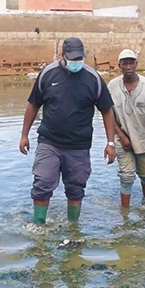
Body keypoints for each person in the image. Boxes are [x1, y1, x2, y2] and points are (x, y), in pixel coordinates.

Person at [19, 37, 117, 224]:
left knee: (76, 189)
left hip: (78, 146)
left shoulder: (93, 78)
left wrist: (110, 143)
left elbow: (107, 110)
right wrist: (24, 135)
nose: (76, 63)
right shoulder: (48, 74)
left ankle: (73, 228)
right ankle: (39, 227)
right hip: (49, 142)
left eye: (79, 58)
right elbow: (33, 104)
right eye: (72, 59)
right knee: (42, 185)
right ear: (62, 55)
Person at [107, 49, 145, 209]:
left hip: (142, 139)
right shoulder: (113, 86)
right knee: (126, 176)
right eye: (124, 63)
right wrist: (121, 136)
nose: (128, 66)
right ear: (119, 65)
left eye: (131, 63)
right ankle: (125, 214)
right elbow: (108, 115)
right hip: (121, 139)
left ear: (136, 64)